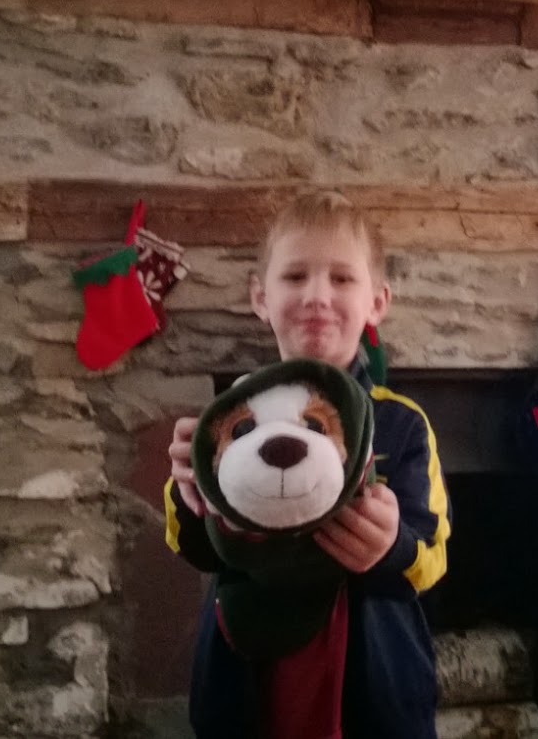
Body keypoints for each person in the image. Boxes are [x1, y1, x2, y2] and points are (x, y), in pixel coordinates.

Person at [165, 190, 451, 739]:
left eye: (342, 278)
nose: (317, 296)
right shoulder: (229, 419)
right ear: (260, 297)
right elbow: (193, 548)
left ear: (377, 302)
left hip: (373, 692)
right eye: (295, 276)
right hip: (245, 686)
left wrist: (393, 546)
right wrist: (186, 489)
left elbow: (433, 558)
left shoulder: (404, 425)